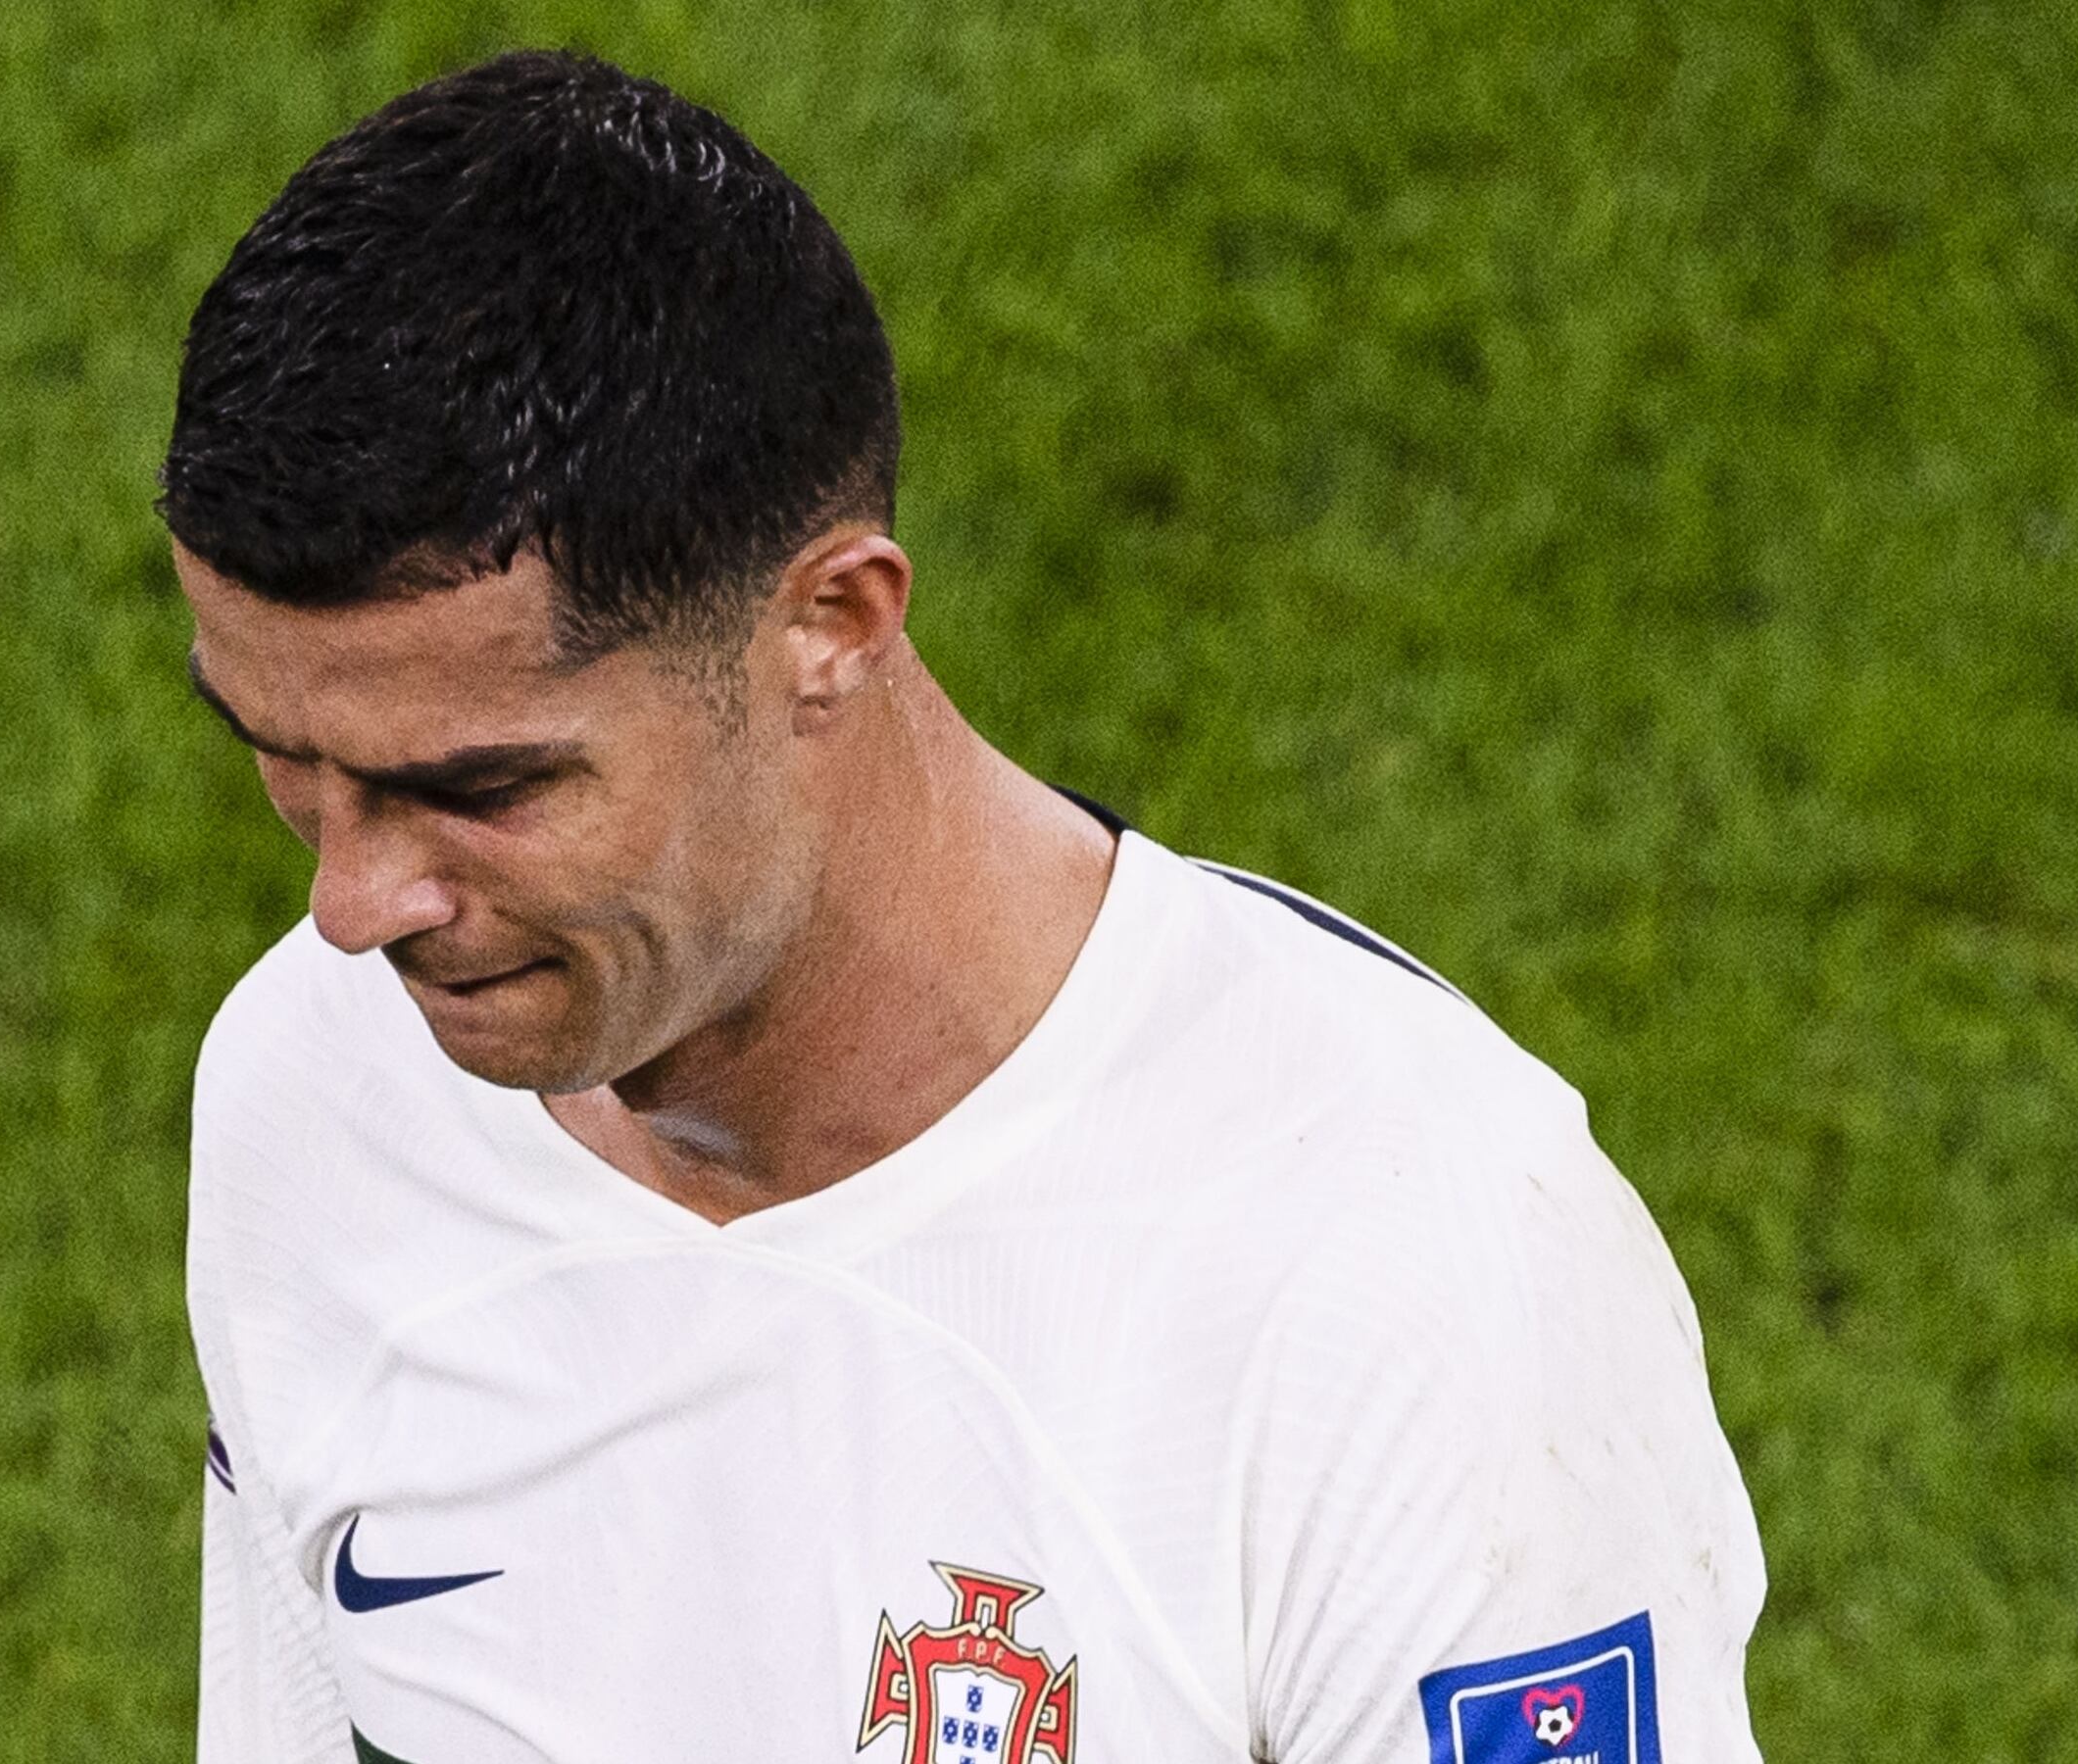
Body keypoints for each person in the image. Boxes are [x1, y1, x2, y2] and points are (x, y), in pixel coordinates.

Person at [160, 49, 1764, 1764]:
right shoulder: (317, 1090)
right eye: (285, 756)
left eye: (480, 788)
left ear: (830, 624)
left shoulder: (1407, 1288)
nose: (352, 905)